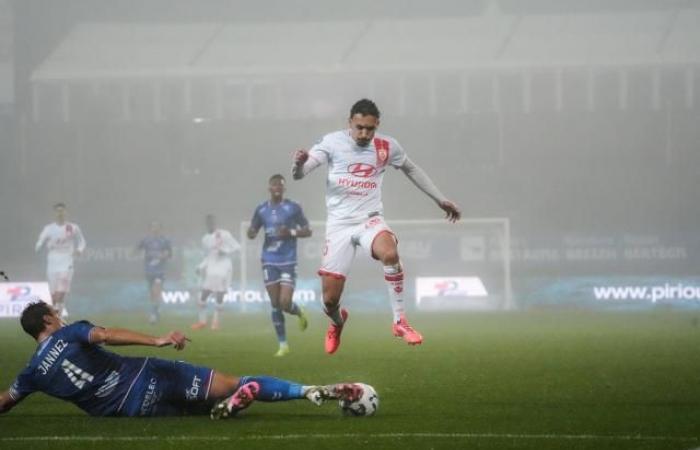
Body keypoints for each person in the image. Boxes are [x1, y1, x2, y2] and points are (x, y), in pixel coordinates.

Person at [292, 98, 461, 354]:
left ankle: (400, 322)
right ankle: (337, 322)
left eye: (369, 128)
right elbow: (300, 174)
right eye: (359, 127)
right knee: (329, 300)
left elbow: (412, 170)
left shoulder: (387, 146)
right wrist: (298, 163)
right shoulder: (332, 142)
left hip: (369, 219)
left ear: (377, 125)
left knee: (390, 253)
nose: (363, 134)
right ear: (349, 123)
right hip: (339, 226)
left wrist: (441, 199)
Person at [0, 301, 362, 418]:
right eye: (54, 314)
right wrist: (157, 340)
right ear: (48, 321)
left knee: (198, 410)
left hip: (129, 410)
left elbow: (5, 402)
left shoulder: (30, 374)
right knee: (232, 384)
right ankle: (308, 390)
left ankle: (221, 409)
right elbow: (107, 334)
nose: (59, 317)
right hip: (148, 375)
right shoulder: (69, 331)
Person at [248, 174, 312, 357]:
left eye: (280, 185)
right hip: (269, 260)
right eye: (274, 184)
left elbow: (308, 230)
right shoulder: (261, 209)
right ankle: (283, 345)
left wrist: (291, 231)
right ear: (269, 188)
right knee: (275, 303)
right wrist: (251, 232)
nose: (277, 187)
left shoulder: (293, 207)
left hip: (288, 260)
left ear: (284, 189)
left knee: (284, 302)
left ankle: (298, 311)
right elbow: (253, 229)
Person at [35, 203, 87, 319]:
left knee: (61, 291)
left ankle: (57, 314)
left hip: (67, 261)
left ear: (65, 212)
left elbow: (82, 241)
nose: (60, 213)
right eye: (58, 211)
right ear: (55, 213)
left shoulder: (73, 227)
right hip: (53, 263)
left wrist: (79, 250)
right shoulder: (49, 229)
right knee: (54, 295)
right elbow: (40, 241)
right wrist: (38, 247)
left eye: (62, 211)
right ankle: (57, 316)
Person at [191, 214, 240, 331]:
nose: (210, 224)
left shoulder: (225, 234)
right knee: (203, 296)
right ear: (206, 223)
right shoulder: (205, 239)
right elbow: (208, 255)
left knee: (219, 295)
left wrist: (226, 251)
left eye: (212, 221)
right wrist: (200, 266)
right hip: (211, 268)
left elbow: (238, 247)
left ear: (216, 222)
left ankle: (216, 322)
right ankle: (202, 321)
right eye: (208, 222)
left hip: (224, 267)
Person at [135, 221, 172, 324]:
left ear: (160, 229)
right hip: (149, 270)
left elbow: (169, 253)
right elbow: (137, 250)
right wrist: (138, 254)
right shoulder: (146, 240)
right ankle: (156, 308)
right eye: (153, 227)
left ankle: (153, 314)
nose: (155, 229)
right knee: (152, 293)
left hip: (160, 270)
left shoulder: (165, 240)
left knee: (157, 290)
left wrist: (164, 255)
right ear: (150, 229)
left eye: (157, 227)